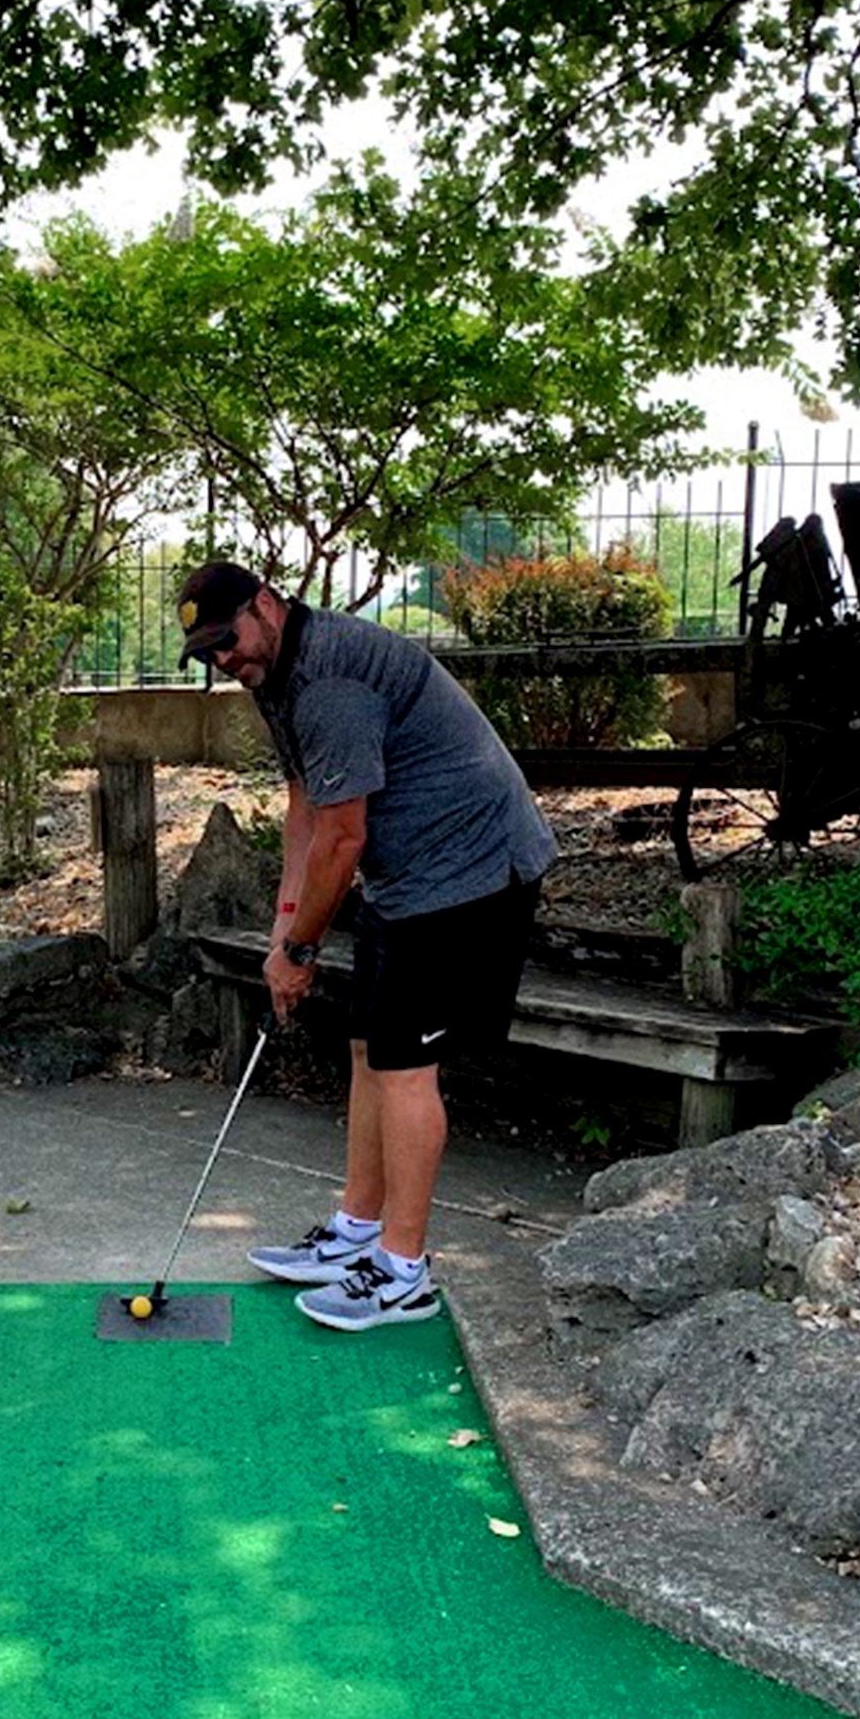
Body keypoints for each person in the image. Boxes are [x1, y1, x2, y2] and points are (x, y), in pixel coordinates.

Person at [178, 559, 555, 1331]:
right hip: (408, 877)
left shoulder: (330, 686)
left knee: (406, 1065)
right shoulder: (275, 678)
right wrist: (285, 927)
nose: (227, 659)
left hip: (471, 872)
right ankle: (356, 1231)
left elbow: (343, 838)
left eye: (230, 638)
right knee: (366, 1049)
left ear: (267, 606)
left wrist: (303, 949)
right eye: (211, 652)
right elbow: (303, 811)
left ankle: (403, 1270)